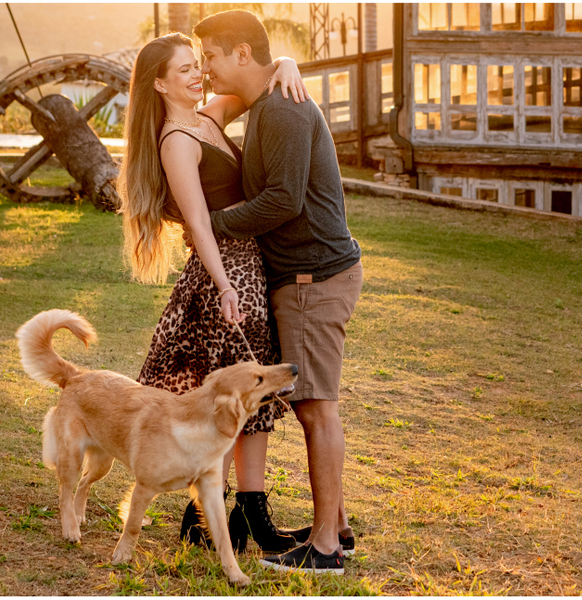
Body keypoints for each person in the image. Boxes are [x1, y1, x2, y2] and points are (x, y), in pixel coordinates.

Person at [117, 31, 309, 555]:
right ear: (159, 84)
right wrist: (225, 285)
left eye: (197, 65)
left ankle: (248, 513)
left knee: (251, 395)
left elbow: (254, 83)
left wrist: (286, 62)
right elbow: (200, 223)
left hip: (250, 265)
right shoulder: (176, 140)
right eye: (183, 69)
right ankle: (207, 518)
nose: (198, 74)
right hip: (224, 273)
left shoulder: (208, 117)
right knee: (232, 396)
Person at [192, 9, 363, 575]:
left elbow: (284, 200)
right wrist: (285, 62)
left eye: (211, 56)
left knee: (316, 409)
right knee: (313, 404)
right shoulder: (268, 98)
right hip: (303, 277)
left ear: (242, 54)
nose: (205, 68)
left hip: (313, 276)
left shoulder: (283, 109)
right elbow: (228, 100)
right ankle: (337, 530)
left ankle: (325, 549)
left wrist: (210, 224)